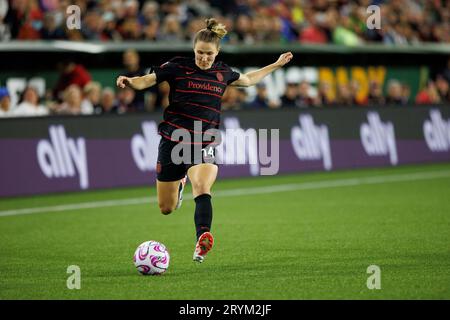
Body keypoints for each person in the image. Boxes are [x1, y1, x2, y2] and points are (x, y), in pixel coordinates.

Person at [116, 18, 293, 263]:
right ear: (194, 50)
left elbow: (249, 79)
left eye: (209, 53)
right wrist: (130, 82)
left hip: (205, 140)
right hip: (173, 140)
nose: (204, 58)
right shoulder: (177, 67)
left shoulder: (223, 73)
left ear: (217, 52)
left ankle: (202, 238)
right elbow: (148, 80)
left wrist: (275, 64)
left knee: (202, 187)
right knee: (166, 208)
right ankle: (179, 184)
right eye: (200, 52)